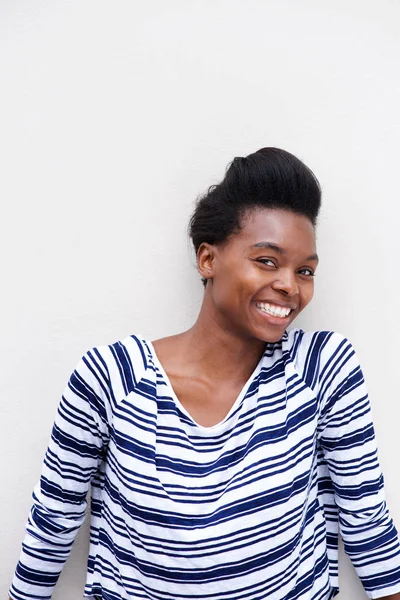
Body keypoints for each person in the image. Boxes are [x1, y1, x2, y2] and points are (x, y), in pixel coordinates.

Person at [9, 148, 400, 600]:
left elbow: (368, 525)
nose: (290, 286)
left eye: (305, 270)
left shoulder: (320, 369)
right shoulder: (111, 378)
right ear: (208, 259)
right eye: (267, 261)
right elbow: (51, 527)